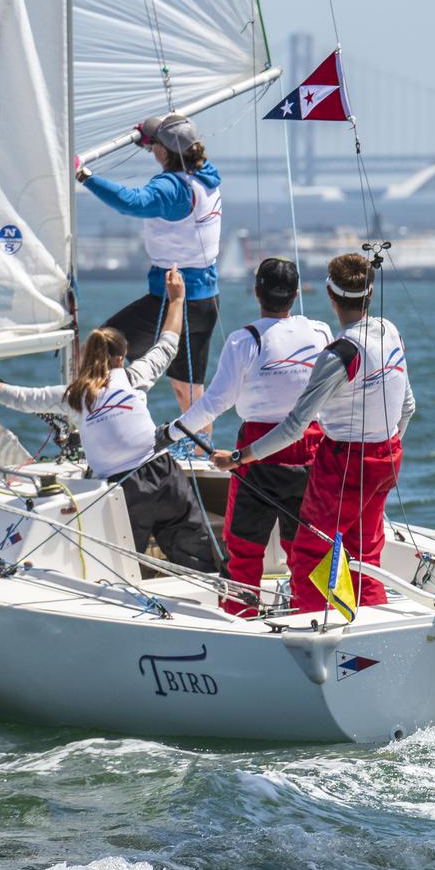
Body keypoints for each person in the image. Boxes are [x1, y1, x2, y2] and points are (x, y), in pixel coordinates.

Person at [0, 269, 215, 572]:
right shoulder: (133, 375)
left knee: (125, 567)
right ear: (120, 357)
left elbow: (18, 397)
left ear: (87, 359)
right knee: (195, 555)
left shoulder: (74, 396)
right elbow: (168, 344)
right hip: (163, 474)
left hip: (120, 490)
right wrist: (176, 300)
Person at [212, 253, 413, 616]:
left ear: (330, 296)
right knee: (363, 553)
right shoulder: (391, 331)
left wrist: (238, 458)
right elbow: (408, 407)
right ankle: (373, 625)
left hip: (345, 464)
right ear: (368, 296)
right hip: (390, 458)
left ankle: (313, 638)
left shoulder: (338, 354)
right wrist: (386, 444)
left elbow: (293, 427)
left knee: (309, 554)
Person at [169, 258, 335, 617]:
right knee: (305, 546)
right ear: (296, 294)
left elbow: (216, 402)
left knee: (244, 549)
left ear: (257, 293)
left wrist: (173, 430)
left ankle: (240, 616)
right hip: (312, 449)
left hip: (257, 454)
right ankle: (314, 612)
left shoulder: (244, 340)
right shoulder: (321, 332)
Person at [75, 113, 224, 415]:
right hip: (206, 300)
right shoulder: (205, 173)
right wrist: (153, 140)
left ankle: (95, 427)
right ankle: (202, 449)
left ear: (165, 152)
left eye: (155, 144)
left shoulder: (173, 189)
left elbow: (132, 202)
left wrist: (84, 176)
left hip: (171, 298)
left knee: (99, 350)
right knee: (188, 387)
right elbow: (174, 146)